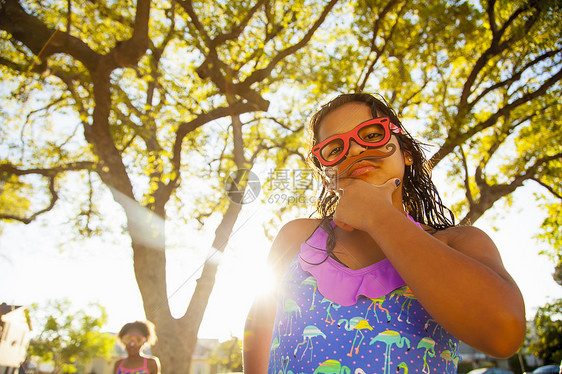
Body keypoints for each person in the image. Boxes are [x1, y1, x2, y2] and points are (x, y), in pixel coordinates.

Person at [243, 93, 526, 373]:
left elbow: (503, 335)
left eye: (371, 134)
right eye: (333, 149)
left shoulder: (459, 242)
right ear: (328, 177)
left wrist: (379, 216)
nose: (354, 150)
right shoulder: (298, 237)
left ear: (407, 153)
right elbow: (259, 328)